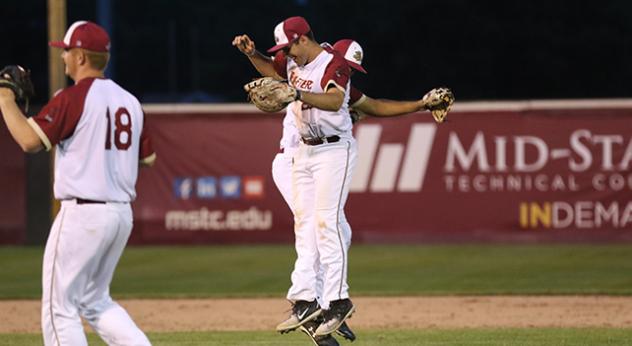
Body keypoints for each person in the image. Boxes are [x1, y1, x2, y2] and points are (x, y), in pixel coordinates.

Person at [0, 20, 155, 346]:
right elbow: (147, 159)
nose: (63, 57)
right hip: (120, 214)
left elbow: (30, 141)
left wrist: (5, 101)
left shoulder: (73, 98)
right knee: (94, 300)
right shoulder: (130, 101)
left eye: (67, 51)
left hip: (83, 214)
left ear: (82, 56)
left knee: (60, 309)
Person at [233, 16, 357, 339]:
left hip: (325, 153)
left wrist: (296, 95)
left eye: (287, 48)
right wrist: (252, 54)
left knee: (329, 225)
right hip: (298, 154)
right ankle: (310, 301)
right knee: (312, 225)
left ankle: (328, 301)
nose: (285, 55)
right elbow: (273, 70)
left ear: (303, 39)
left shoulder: (331, 64)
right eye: (282, 50)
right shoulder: (292, 63)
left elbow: (335, 99)